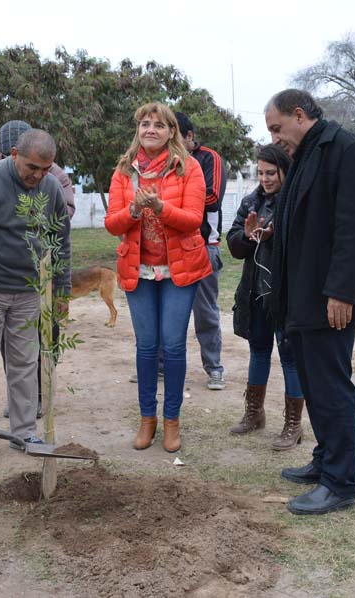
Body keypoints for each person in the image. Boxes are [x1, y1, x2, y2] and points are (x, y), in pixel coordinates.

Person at [265, 89, 355, 515]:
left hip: (330, 297)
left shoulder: (347, 149)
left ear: (300, 115)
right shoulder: (307, 152)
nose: (275, 138)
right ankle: (325, 460)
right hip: (303, 294)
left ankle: (340, 484)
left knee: (332, 387)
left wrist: (342, 291)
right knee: (315, 385)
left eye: (277, 128)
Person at [0, 128, 71, 467]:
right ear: (15, 154)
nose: (38, 176)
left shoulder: (49, 189)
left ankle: (24, 432)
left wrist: (61, 290)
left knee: (24, 365)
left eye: (46, 169)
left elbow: (60, 241)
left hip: (29, 293)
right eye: (32, 167)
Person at [105, 102, 211, 453]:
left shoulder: (189, 168)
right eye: (145, 124)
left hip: (179, 270)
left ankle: (171, 420)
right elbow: (111, 224)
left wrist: (161, 208)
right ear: (138, 130)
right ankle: (146, 419)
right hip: (139, 271)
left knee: (174, 344)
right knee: (147, 347)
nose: (150, 130)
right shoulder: (124, 171)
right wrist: (134, 209)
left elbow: (194, 219)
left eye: (159, 125)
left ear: (171, 133)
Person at [227, 144, 305, 450]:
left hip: (286, 296)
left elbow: (305, 246)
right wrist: (249, 235)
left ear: (284, 170)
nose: (265, 178)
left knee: (290, 358)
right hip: (256, 293)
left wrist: (276, 236)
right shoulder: (251, 202)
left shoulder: (296, 201)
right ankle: (254, 413)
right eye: (260, 172)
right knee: (258, 352)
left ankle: (293, 425)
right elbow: (234, 246)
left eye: (271, 172)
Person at [0, 120, 74, 419]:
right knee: (9, 344)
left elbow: (61, 220)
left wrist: (30, 212)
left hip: (43, 276)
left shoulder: (54, 178)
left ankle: (41, 395)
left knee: (43, 339)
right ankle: (20, 396)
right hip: (6, 278)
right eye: (3, 157)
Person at [176, 111, 228, 390]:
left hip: (203, 247)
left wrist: (174, 201)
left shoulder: (210, 158)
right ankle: (161, 366)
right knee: (167, 311)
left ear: (190, 137)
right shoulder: (162, 161)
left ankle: (214, 368)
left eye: (174, 136)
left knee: (205, 311)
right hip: (170, 248)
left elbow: (212, 198)